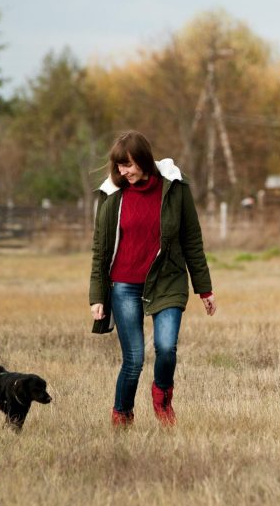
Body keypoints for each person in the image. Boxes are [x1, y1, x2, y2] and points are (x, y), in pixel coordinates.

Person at [89, 130, 215, 427]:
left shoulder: (174, 189)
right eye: (119, 166)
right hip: (124, 285)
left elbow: (192, 240)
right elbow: (101, 249)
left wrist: (204, 289)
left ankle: (162, 395)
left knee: (166, 347)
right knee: (133, 359)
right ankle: (122, 414)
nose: (123, 171)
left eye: (128, 165)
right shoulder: (112, 196)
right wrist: (97, 295)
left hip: (167, 280)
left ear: (143, 160)